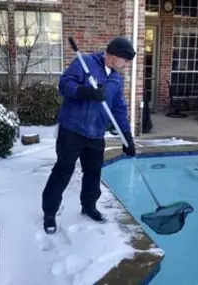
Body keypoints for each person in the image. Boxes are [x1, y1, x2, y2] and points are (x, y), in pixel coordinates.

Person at [41, 36, 136, 234]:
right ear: (114, 55)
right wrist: (86, 92)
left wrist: (127, 137)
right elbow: (64, 85)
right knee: (63, 171)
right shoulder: (84, 63)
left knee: (93, 173)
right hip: (72, 129)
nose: (126, 65)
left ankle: (89, 206)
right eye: (125, 60)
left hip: (96, 133)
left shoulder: (116, 79)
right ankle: (49, 213)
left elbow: (119, 109)